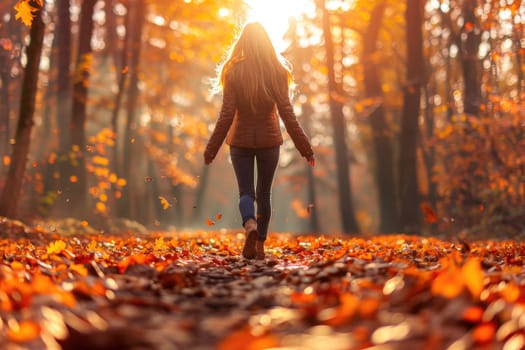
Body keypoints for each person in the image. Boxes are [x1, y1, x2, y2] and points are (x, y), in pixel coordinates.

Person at [204, 22, 315, 260]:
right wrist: (305, 148)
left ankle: (250, 226)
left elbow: (226, 114)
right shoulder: (277, 71)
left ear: (243, 42)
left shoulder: (233, 71)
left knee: (246, 193)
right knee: (264, 195)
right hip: (269, 142)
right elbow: (287, 114)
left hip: (240, 142)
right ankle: (261, 246)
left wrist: (211, 148)